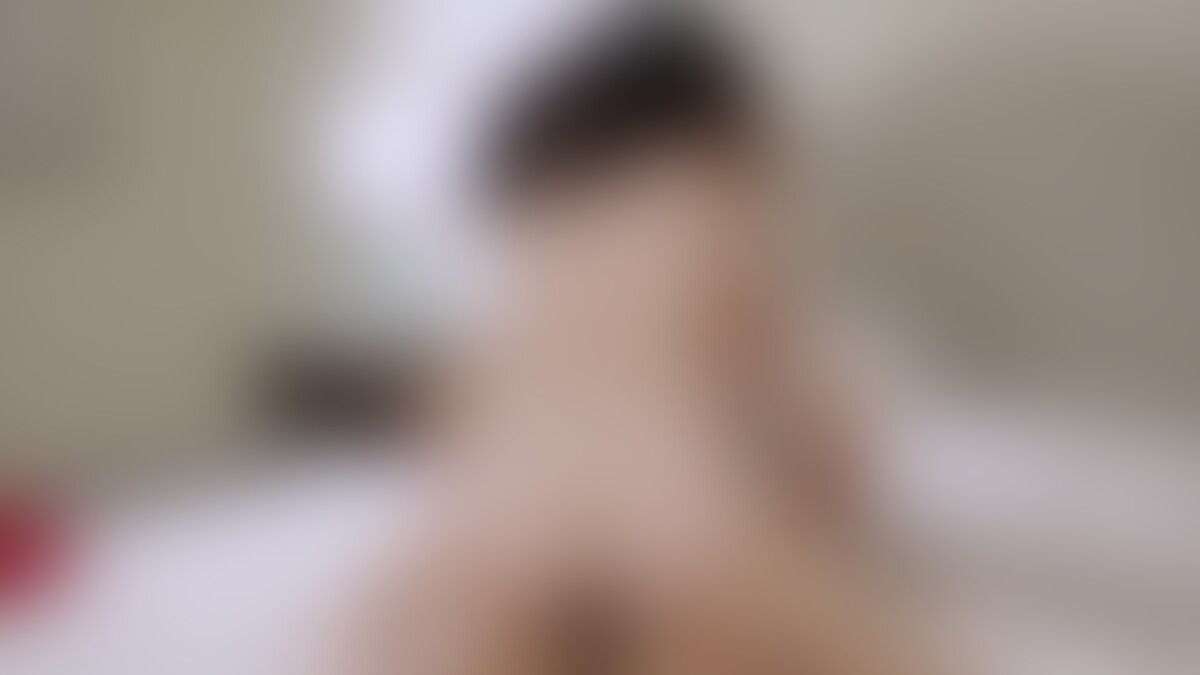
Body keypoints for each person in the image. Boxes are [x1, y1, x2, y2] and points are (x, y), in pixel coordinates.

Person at [328, 2, 940, 673]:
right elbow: (819, 427)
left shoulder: (537, 248)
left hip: (496, 532)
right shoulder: (709, 204)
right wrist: (828, 476)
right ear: (730, 134)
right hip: (675, 515)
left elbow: (451, 410)